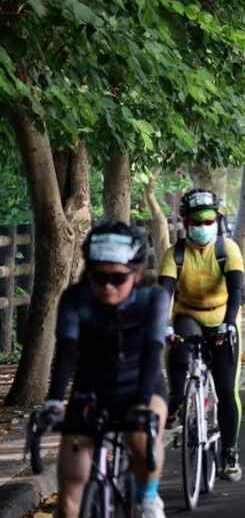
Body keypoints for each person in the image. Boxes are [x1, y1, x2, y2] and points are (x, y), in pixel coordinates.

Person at [44, 221, 169, 518]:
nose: (107, 286)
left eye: (117, 278)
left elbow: (153, 351)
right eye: (98, 277)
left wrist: (141, 405)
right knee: (69, 498)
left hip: (141, 383)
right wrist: (53, 401)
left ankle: (148, 499)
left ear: (137, 274)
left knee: (142, 438)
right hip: (91, 387)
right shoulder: (75, 298)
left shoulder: (153, 298)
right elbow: (67, 350)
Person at [160, 189, 245, 483]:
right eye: (197, 221)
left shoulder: (227, 249)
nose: (203, 226)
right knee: (179, 352)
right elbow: (165, 293)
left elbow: (236, 290)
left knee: (226, 389)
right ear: (185, 223)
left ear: (217, 220)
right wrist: (163, 326)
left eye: (209, 220)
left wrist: (229, 323)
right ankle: (176, 397)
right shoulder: (175, 254)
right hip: (188, 315)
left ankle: (230, 453)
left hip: (222, 316)